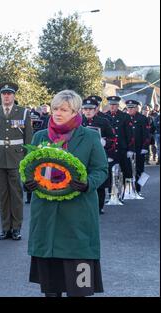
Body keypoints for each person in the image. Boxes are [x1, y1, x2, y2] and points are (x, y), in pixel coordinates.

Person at [25, 90, 108, 297]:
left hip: (77, 216)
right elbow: (27, 168)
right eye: (55, 109)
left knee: (79, 288)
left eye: (64, 109)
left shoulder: (89, 136)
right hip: (47, 216)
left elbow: (101, 170)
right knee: (51, 289)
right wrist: (27, 183)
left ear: (75, 112)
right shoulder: (40, 136)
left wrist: (88, 183)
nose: (58, 113)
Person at [0, 83, 33, 241]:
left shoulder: (23, 112)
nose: (6, 96)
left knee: (17, 195)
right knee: (2, 196)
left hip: (17, 159)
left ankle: (16, 228)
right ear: (0, 96)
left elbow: (28, 139)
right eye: (4, 93)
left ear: (14, 96)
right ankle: (5, 228)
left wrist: (27, 160)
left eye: (9, 94)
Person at [81, 98, 115, 215]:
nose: (88, 111)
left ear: (96, 110)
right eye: (85, 109)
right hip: (83, 155)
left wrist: (105, 143)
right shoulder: (78, 121)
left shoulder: (103, 121)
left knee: (99, 181)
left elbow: (113, 138)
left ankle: (100, 206)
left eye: (90, 109)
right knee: (83, 179)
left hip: (98, 155)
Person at [104, 96, 134, 182]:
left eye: (114, 104)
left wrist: (130, 149)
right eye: (110, 104)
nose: (112, 106)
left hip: (122, 148)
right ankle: (112, 193)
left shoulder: (125, 116)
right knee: (110, 173)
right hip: (110, 150)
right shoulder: (105, 116)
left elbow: (129, 134)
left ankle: (128, 192)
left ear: (118, 105)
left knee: (127, 171)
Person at [125, 100, 151, 194]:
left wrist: (145, 147)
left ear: (136, 108)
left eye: (132, 107)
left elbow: (147, 134)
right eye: (128, 107)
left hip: (139, 148)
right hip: (129, 149)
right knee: (129, 170)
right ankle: (130, 189)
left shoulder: (143, 118)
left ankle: (138, 189)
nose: (130, 109)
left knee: (140, 170)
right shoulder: (125, 118)